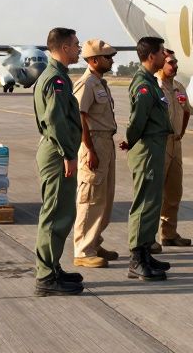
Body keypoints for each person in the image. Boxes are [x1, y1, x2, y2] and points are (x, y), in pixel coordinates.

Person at [33, 27, 85, 295]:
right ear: (64, 48)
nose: (79, 49)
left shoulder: (58, 77)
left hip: (58, 151)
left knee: (63, 212)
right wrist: (68, 154)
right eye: (76, 45)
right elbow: (55, 122)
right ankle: (45, 278)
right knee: (55, 214)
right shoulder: (56, 80)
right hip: (57, 153)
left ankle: (52, 267)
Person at [124, 36, 173, 281]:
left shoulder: (151, 82)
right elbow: (137, 121)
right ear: (151, 56)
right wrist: (131, 141)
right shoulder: (143, 84)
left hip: (155, 146)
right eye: (163, 52)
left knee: (153, 202)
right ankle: (136, 259)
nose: (166, 56)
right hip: (146, 148)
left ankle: (145, 252)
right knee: (144, 203)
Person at [71, 39, 120, 269]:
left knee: (104, 198)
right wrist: (89, 149)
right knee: (90, 198)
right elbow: (80, 118)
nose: (111, 60)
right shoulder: (87, 84)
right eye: (107, 57)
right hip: (94, 143)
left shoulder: (101, 83)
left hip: (105, 143)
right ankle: (83, 250)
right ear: (93, 60)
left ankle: (94, 243)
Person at [154, 49, 192, 252]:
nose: (175, 66)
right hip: (159, 143)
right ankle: (148, 237)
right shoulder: (154, 87)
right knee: (155, 193)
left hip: (175, 143)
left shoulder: (179, 87)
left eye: (176, 63)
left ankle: (169, 233)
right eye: (170, 63)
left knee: (174, 190)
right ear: (160, 64)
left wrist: (181, 133)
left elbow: (186, 112)